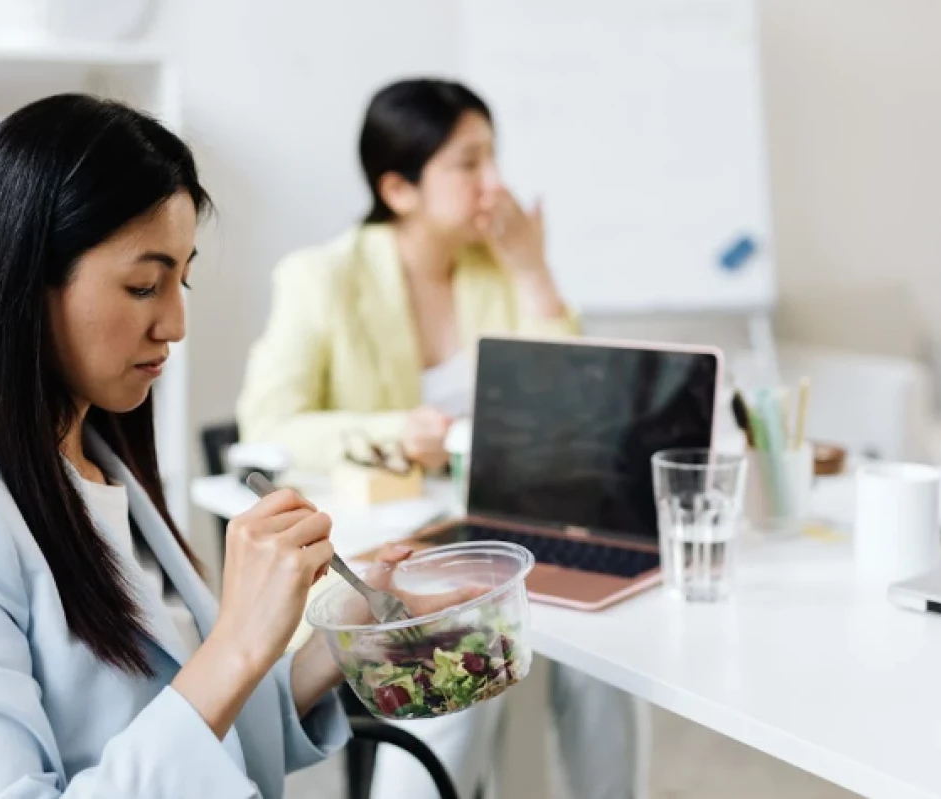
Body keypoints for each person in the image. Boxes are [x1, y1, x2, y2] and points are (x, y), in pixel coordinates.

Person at [0, 94, 364, 799]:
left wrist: (343, 635)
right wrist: (235, 643)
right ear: (28, 282)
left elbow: (195, 724)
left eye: (183, 278)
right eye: (145, 284)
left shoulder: (96, 465)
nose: (174, 322)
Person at [237, 79, 641, 799]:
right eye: (469, 163)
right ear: (399, 187)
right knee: (453, 650)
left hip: (498, 524)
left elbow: (574, 407)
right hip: (385, 545)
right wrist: (398, 430)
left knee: (603, 656)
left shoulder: (496, 268)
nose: (495, 184)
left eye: (494, 158)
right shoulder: (320, 278)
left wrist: (532, 269)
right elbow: (267, 425)